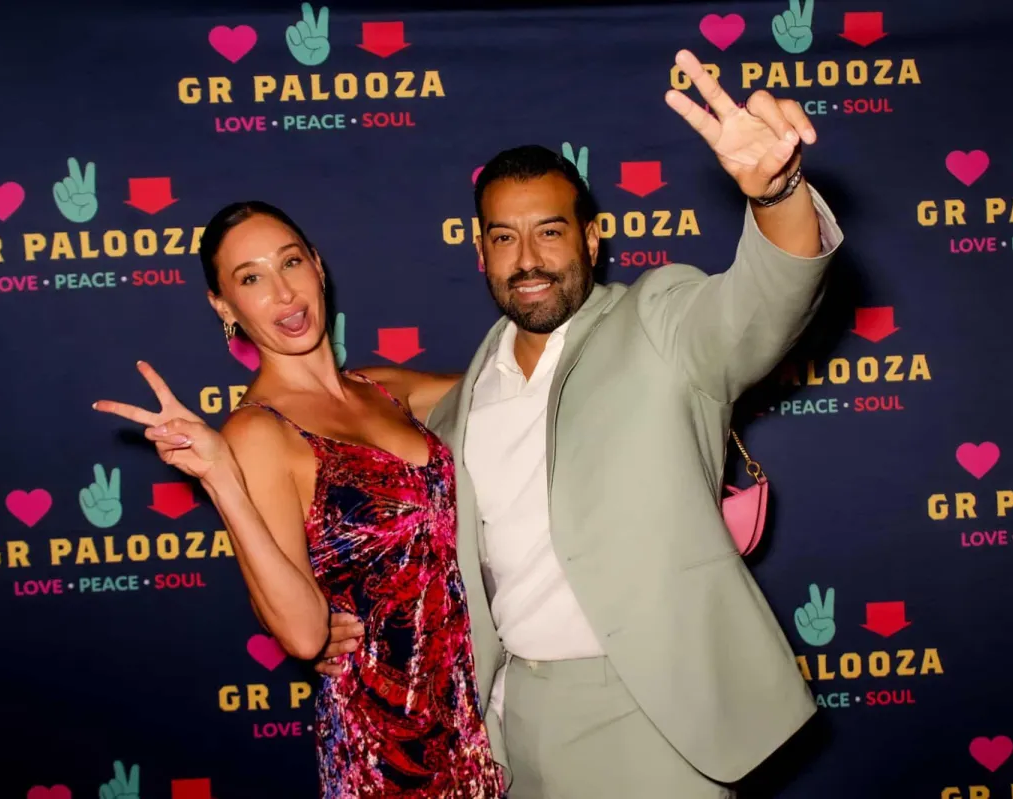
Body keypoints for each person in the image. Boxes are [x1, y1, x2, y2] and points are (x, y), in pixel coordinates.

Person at [318, 49, 846, 797]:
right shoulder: (467, 396)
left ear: (592, 238)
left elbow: (763, 305)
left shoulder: (659, 319)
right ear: (480, 252)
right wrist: (340, 624)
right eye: (504, 237)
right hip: (511, 716)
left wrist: (778, 193)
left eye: (550, 231)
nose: (528, 259)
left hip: (651, 712)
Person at [92, 200, 505, 799]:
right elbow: (306, 635)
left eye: (290, 263)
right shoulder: (257, 432)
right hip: (388, 751)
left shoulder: (385, 388)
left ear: (317, 266)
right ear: (223, 306)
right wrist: (221, 477)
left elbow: (525, 386)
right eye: (251, 278)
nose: (283, 293)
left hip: (481, 723)